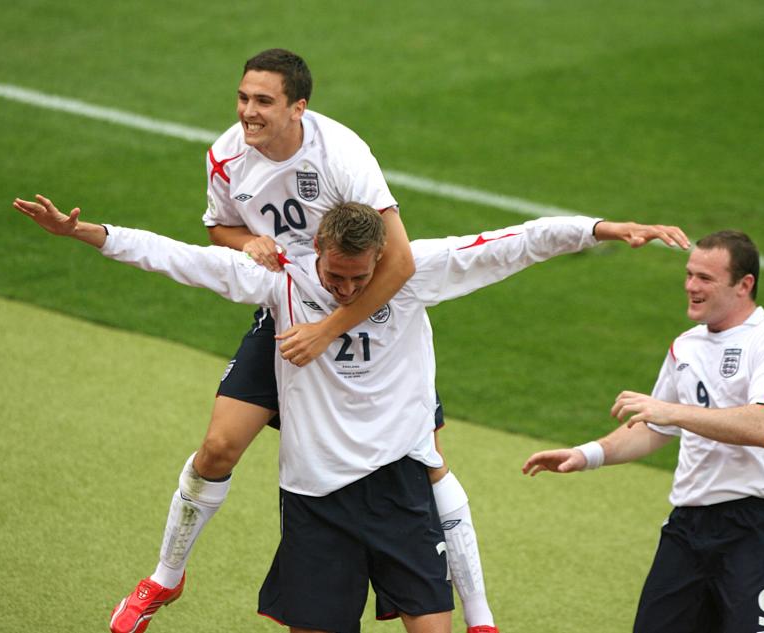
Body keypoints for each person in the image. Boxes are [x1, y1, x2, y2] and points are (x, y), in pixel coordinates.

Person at [12, 194, 688, 632]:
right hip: (315, 494)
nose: (343, 290)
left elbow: (517, 241)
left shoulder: (415, 268)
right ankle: (163, 576)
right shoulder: (281, 278)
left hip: (397, 482)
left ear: (381, 260)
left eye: (359, 279)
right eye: (334, 276)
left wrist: (604, 228)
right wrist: (90, 233)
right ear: (320, 252)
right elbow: (180, 259)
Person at [115, 48, 498, 633]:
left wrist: (329, 329)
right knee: (219, 447)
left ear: (299, 107)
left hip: (353, 314)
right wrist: (246, 245)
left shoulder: (343, 153)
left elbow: (394, 259)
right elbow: (216, 227)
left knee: (427, 461)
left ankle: (479, 617)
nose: (247, 112)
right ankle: (166, 577)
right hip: (289, 308)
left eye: (262, 101)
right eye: (243, 98)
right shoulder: (224, 157)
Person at [521, 230, 764, 633]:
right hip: (689, 527)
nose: (691, 286)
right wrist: (587, 454)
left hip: (755, 528)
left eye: (706, 278)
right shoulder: (685, 347)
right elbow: (653, 428)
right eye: (690, 274)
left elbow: (763, 427)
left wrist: (673, 412)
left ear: (745, 285)